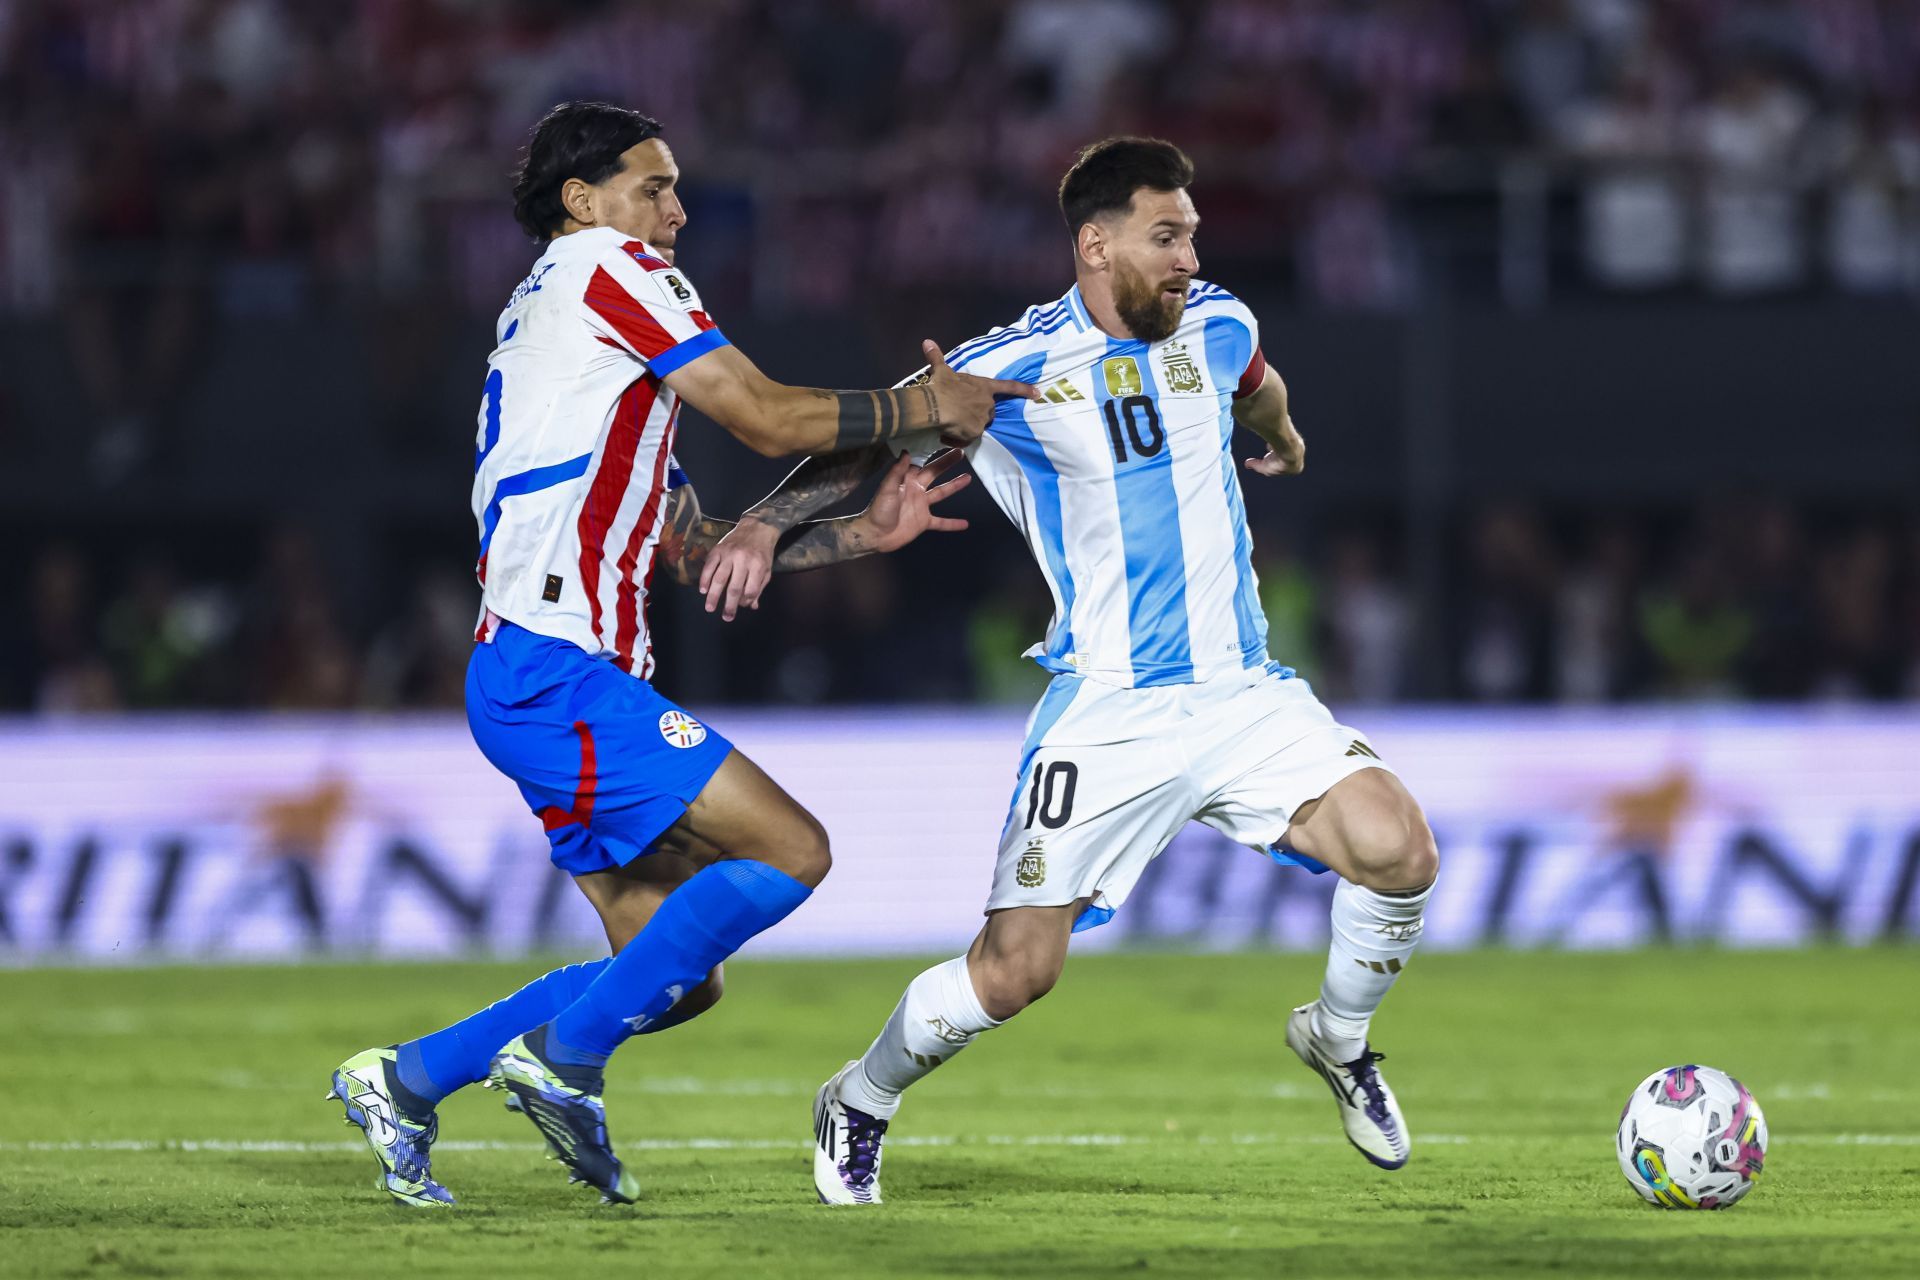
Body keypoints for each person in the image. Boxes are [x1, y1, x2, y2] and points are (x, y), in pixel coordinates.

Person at [704, 138, 1441, 1205]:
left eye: (1192, 233)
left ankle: (1338, 1036)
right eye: (1167, 234)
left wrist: (1285, 436)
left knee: (1399, 847)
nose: (1191, 255)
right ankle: (859, 1096)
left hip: (1243, 690)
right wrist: (765, 528)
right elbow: (871, 443)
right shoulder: (1009, 365)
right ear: (1096, 245)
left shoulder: (1218, 320)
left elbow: (1256, 381)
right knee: (1015, 971)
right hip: (1107, 707)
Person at [325, 101, 1032, 1208]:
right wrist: (919, 404)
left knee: (672, 976)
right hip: (556, 670)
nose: (677, 210)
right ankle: (562, 1061)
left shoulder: (571, 346)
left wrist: (857, 532)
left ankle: (407, 1080)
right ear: (583, 199)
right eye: (654, 186)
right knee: (792, 848)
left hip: (535, 672)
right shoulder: (605, 267)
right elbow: (759, 413)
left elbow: (692, 544)